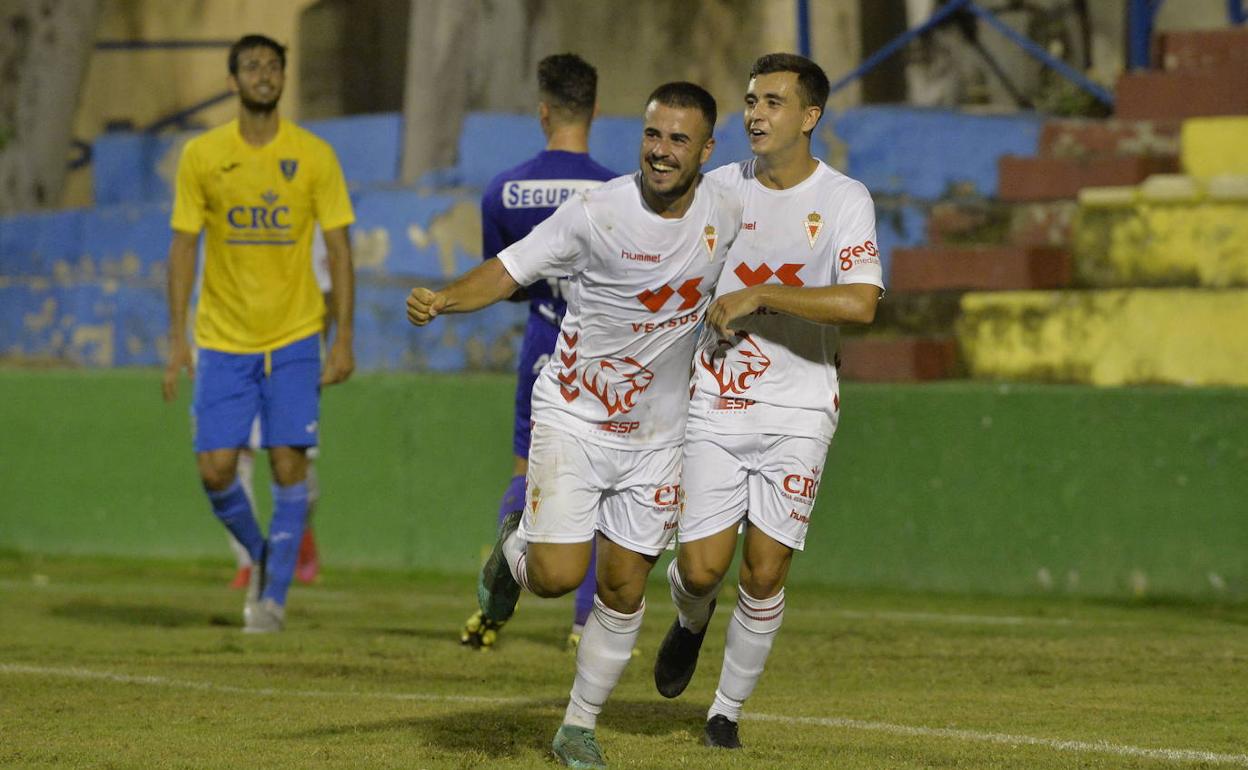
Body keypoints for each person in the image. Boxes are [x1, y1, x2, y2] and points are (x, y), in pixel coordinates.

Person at [407, 82, 739, 769]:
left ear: (707, 150)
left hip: (657, 439)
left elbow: (793, 197)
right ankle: (513, 552)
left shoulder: (731, 206)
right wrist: (444, 298)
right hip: (576, 415)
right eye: (653, 135)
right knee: (558, 577)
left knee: (621, 589)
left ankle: (577, 728)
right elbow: (506, 271)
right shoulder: (595, 211)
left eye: (679, 139)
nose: (661, 151)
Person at [651, 53, 883, 750]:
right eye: (751, 100)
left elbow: (862, 303)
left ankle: (724, 711)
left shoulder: (844, 199)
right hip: (717, 401)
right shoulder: (719, 188)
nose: (755, 112)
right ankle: (691, 621)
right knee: (699, 568)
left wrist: (763, 294)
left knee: (766, 568)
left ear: (810, 118)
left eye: (774, 102)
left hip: (801, 408)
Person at [162, 33, 355, 633]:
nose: (264, 75)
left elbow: (340, 249)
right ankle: (269, 554)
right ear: (232, 80)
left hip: (295, 337)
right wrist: (176, 337)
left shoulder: (315, 155)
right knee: (215, 469)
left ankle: (270, 600)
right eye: (252, 66)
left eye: (274, 66)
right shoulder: (202, 155)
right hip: (221, 338)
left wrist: (343, 336)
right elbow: (183, 248)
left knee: (288, 466)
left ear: (282, 78)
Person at [461, 53, 617, 652]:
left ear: (543, 111)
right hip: (604, 350)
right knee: (604, 480)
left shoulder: (505, 191)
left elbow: (507, 280)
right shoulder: (616, 192)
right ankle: (583, 626)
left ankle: (501, 588)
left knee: (528, 474)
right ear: (596, 109)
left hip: (541, 342)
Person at [227, 229, 332, 589]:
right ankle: (250, 558)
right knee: (233, 455)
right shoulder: (232, 211)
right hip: (234, 346)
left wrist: (323, 349)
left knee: (292, 458)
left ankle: (301, 534)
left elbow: (326, 291)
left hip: (293, 349)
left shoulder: (305, 217)